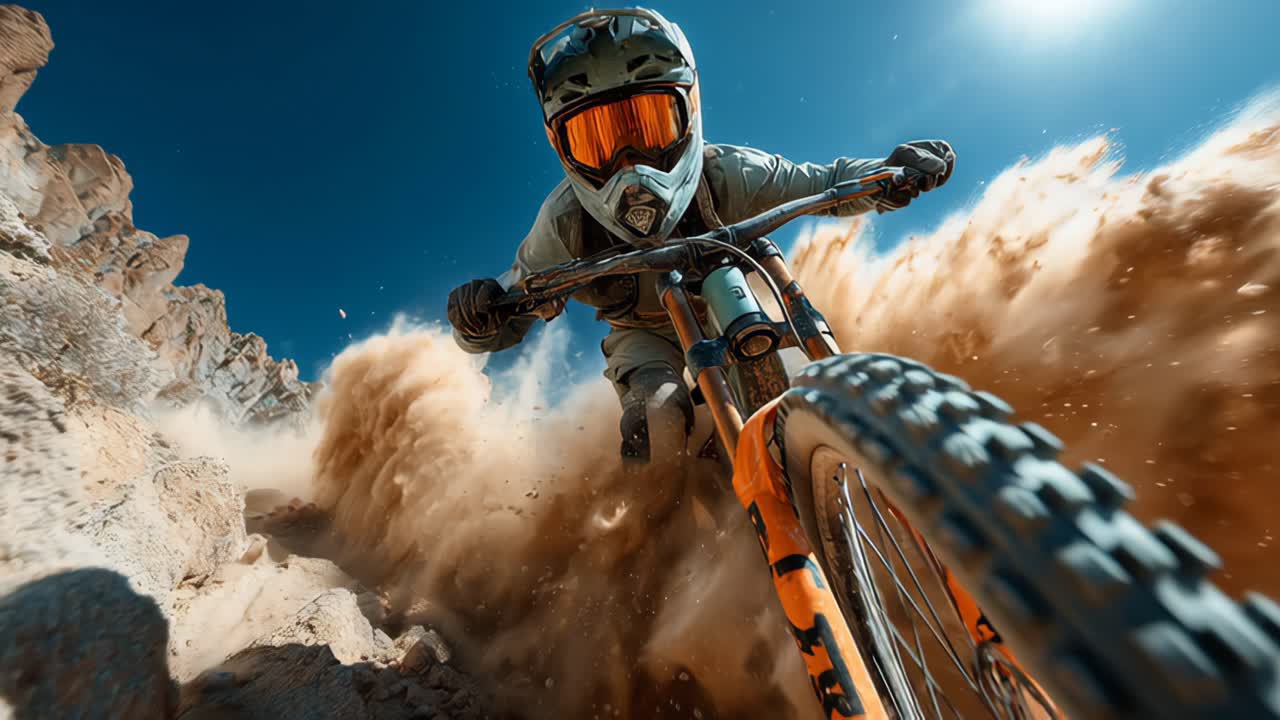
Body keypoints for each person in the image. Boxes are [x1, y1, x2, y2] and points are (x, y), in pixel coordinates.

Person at [447, 8, 955, 465]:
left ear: (688, 112)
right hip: (643, 333)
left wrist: (889, 174)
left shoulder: (727, 173)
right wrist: (479, 314)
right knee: (656, 429)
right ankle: (656, 554)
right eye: (597, 140)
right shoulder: (565, 222)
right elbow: (510, 301)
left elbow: (824, 182)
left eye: (647, 126)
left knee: (796, 368)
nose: (630, 164)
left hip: (727, 293)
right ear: (563, 147)